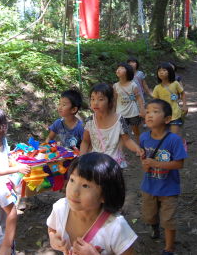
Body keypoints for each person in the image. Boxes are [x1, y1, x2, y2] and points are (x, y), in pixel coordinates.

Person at [47, 152, 137, 255]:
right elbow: (52, 228)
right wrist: (53, 239)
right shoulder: (60, 208)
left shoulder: (116, 228)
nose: (74, 191)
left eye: (85, 186)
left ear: (104, 195)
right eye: (72, 180)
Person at [140, 100, 188, 255]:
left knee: (168, 220)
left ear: (167, 119)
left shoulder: (173, 139)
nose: (149, 115)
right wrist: (145, 164)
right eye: (147, 112)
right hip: (149, 186)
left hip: (169, 188)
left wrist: (157, 163)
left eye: (155, 111)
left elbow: (179, 164)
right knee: (149, 215)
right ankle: (154, 227)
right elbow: (143, 158)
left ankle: (169, 248)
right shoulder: (143, 138)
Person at [80, 83, 144, 168]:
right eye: (92, 99)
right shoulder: (90, 121)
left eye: (100, 99)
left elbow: (127, 140)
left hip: (114, 164)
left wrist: (137, 149)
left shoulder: (119, 120)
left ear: (110, 101)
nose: (95, 103)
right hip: (95, 163)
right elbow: (85, 141)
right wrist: (81, 158)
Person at [152, 63, 188, 137]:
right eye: (159, 71)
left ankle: (180, 146)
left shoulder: (175, 84)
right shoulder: (157, 88)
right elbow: (155, 102)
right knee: (165, 136)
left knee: (175, 136)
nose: (161, 72)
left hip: (175, 114)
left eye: (164, 70)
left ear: (170, 72)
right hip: (163, 116)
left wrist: (185, 105)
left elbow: (183, 94)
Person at [113, 63, 145, 143]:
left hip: (133, 113)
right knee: (122, 132)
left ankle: (139, 146)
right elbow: (115, 100)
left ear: (128, 72)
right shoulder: (115, 86)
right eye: (118, 68)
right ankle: (122, 151)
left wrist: (142, 110)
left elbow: (138, 98)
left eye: (121, 68)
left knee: (136, 131)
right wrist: (113, 112)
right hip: (120, 113)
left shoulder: (133, 85)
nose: (118, 70)